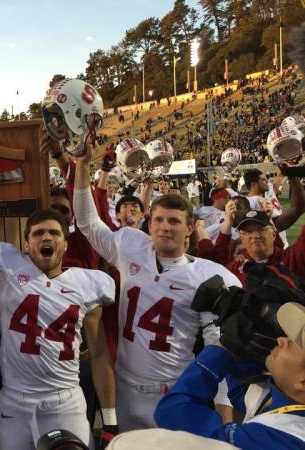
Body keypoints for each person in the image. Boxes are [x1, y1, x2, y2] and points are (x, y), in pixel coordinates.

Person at [0, 163, 117, 449]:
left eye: (54, 233)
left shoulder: (89, 283)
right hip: (16, 402)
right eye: (38, 233)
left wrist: (110, 420)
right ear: (27, 243)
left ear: (65, 244)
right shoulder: (6, 273)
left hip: (65, 400)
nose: (46, 238)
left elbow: (98, 355)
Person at [72, 143, 242, 431]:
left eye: (174, 221)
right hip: (125, 386)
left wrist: (224, 405)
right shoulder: (129, 246)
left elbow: (217, 345)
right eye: (159, 220)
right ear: (149, 226)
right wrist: (81, 167)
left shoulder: (208, 276)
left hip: (175, 390)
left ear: (189, 228)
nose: (165, 227)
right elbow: (88, 222)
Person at [155, 302, 305, 449]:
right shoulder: (292, 400)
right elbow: (242, 391)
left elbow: (173, 412)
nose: (281, 339)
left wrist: (224, 348)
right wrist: (245, 328)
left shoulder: (278, 440)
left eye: (293, 343)